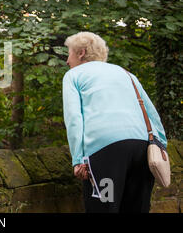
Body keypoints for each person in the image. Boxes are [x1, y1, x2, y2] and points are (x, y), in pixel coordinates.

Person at [62, 31, 167, 213]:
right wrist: (161, 146)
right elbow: (152, 115)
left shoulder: (74, 75)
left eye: (69, 53)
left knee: (105, 206)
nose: (67, 60)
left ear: (81, 52)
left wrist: (78, 159)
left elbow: (74, 119)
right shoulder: (127, 75)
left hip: (106, 154)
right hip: (143, 150)